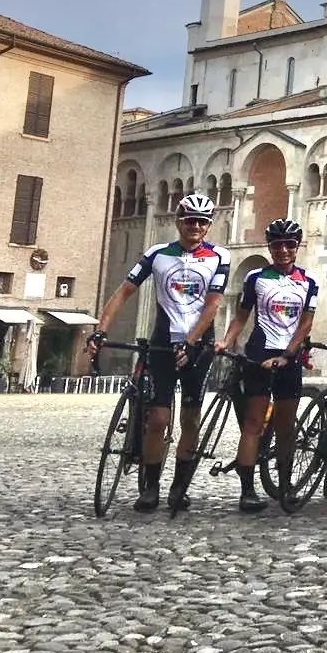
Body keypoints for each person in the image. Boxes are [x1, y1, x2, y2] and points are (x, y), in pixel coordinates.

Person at [88, 193, 230, 512]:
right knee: (157, 419)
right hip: (163, 342)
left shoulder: (220, 256)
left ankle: (179, 488)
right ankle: (150, 487)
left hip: (199, 344)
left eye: (202, 221)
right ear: (178, 222)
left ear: (208, 226)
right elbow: (124, 291)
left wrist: (192, 341)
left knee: (191, 418)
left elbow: (214, 303)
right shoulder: (157, 254)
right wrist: (101, 328)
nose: (195, 226)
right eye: (189, 220)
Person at [215, 219, 319, 512]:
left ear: (297, 246)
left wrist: (288, 354)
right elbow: (241, 316)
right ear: (270, 247)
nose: (283, 250)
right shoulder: (255, 278)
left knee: (286, 426)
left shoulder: (309, 281)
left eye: (289, 245)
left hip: (290, 357)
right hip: (259, 355)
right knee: (253, 424)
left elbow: (305, 323)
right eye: (277, 245)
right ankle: (247, 491)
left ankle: (285, 486)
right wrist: (226, 341)